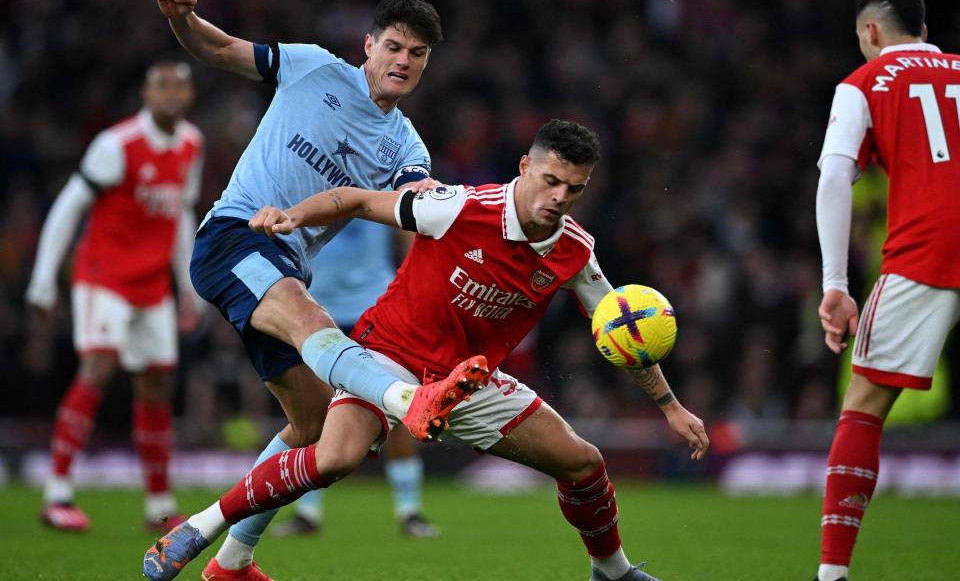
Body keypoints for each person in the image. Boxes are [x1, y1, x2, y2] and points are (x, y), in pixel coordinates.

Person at [143, 120, 710, 581]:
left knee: (585, 464)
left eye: (575, 189)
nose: (559, 198)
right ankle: (200, 527)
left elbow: (626, 332)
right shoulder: (458, 207)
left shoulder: (575, 253)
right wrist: (295, 218)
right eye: (550, 181)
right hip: (388, 356)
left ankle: (611, 572)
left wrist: (669, 407)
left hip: (469, 380)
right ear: (525, 168)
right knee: (335, 456)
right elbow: (361, 201)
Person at [153, 0, 484, 578]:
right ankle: (407, 400)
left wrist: (436, 202)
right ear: (369, 46)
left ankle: (232, 561)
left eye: (417, 54)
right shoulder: (311, 67)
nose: (403, 61)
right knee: (317, 325)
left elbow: (409, 197)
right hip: (233, 236)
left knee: (313, 429)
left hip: (284, 267)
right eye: (394, 47)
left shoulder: (406, 143)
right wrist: (184, 20)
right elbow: (222, 49)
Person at [814, 0, 960, 580]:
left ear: (870, 32)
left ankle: (831, 575)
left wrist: (835, 283)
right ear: (923, 29)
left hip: (927, 248)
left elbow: (833, 179)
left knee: (864, 408)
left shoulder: (863, 83)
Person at [25, 62, 204, 532]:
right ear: (146, 92)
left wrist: (187, 283)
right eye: (162, 85)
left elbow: (181, 213)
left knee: (156, 385)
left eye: (179, 86)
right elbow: (70, 205)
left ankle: (158, 506)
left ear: (189, 95)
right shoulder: (117, 145)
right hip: (104, 277)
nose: (170, 94)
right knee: (99, 368)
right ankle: (57, 493)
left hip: (151, 285)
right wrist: (43, 278)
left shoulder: (191, 144)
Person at [271, 221, 440, 539]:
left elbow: (408, 232)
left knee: (396, 410)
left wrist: (415, 290)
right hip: (316, 311)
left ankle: (410, 510)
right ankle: (307, 512)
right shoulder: (312, 186)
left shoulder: (375, 186)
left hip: (376, 308)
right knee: (319, 411)